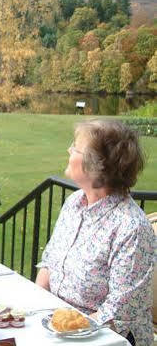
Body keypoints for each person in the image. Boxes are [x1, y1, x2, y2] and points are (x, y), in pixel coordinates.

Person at [36, 120, 153, 346]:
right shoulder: (74, 202)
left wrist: (64, 331)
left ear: (97, 165)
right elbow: (49, 262)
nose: (68, 150)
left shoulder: (131, 227)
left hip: (104, 336)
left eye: (75, 147)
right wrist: (35, 307)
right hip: (57, 326)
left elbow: (117, 313)